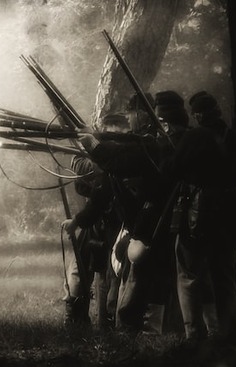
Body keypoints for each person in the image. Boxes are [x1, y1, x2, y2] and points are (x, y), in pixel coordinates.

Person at [77, 92, 184, 334]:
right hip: (150, 222)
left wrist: (94, 146)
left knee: (143, 277)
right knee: (135, 276)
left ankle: (142, 330)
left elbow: (122, 161)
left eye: (133, 113)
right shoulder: (156, 142)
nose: (130, 118)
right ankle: (138, 328)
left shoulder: (156, 146)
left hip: (152, 223)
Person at [162, 91, 236, 341]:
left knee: (189, 274)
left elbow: (171, 170)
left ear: (197, 115)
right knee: (225, 273)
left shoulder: (194, 136)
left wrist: (167, 148)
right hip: (232, 212)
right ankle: (231, 330)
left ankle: (194, 333)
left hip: (200, 213)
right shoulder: (235, 138)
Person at [61, 113, 127, 329]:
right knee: (79, 272)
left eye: (118, 132)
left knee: (111, 276)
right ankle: (77, 318)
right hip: (94, 221)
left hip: (118, 223)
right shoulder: (93, 155)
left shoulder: (127, 154)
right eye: (109, 132)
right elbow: (80, 173)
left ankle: (107, 324)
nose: (114, 137)